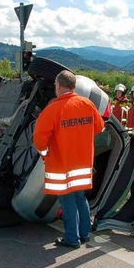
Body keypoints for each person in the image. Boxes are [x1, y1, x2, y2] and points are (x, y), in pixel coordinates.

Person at [33, 70, 104, 249]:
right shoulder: (87, 104)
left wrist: (45, 154)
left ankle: (72, 239)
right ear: (73, 86)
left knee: (67, 201)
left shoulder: (53, 109)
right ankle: (85, 234)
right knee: (81, 198)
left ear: (58, 86)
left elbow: (39, 140)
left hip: (62, 165)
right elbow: (99, 127)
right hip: (83, 164)